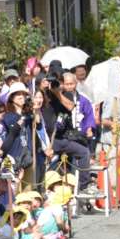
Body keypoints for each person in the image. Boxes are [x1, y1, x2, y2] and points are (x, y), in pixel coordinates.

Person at [41, 62, 95, 195]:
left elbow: (71, 106)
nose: (56, 83)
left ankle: (84, 185)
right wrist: (42, 88)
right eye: (54, 81)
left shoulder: (66, 94)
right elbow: (35, 102)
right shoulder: (43, 93)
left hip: (61, 138)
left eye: (59, 81)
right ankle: (43, 189)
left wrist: (57, 93)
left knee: (84, 152)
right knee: (46, 163)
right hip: (45, 138)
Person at [0, 82, 33, 180]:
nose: (22, 96)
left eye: (24, 94)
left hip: (27, 160)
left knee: (29, 193)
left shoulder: (29, 116)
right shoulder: (8, 117)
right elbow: (10, 136)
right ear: (11, 98)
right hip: (12, 161)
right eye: (18, 94)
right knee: (13, 193)